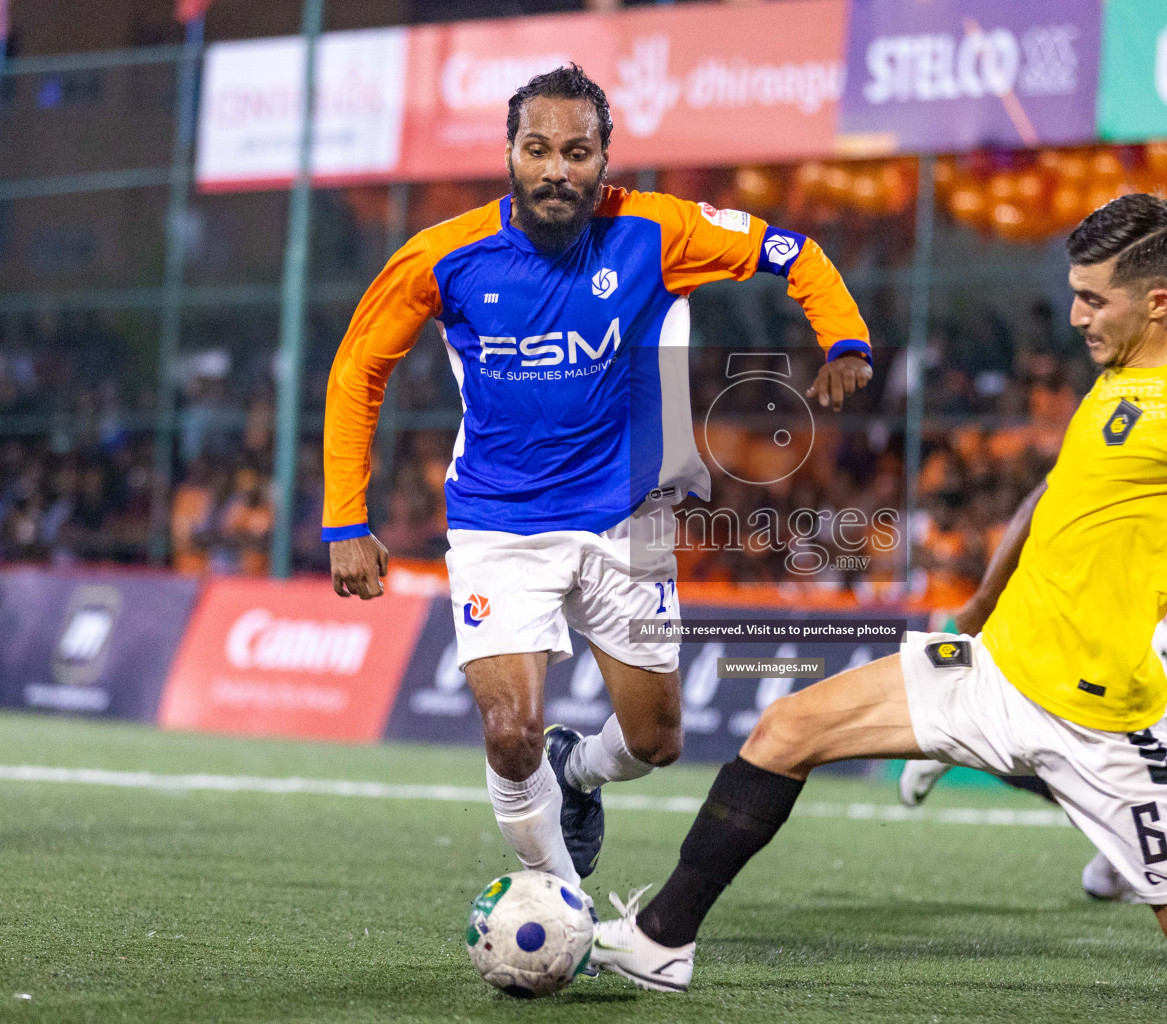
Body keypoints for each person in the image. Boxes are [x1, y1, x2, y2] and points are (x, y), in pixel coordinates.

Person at [589, 194, 1167, 1024]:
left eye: (1094, 299)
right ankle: (663, 939)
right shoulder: (1134, 365)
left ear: (1158, 300)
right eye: (1075, 292)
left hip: (1097, 721)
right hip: (997, 669)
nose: (1075, 315)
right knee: (787, 727)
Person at [322, 65, 873, 900]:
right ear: (509, 153)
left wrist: (845, 340)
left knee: (656, 741)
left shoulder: (659, 230)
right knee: (510, 732)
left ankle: (576, 772)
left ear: (603, 158)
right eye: (537, 149)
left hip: (629, 519)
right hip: (499, 523)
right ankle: (558, 901)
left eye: (576, 152)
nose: (555, 170)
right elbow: (359, 367)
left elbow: (790, 251)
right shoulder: (444, 256)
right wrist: (344, 520)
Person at [898, 337, 1167, 901]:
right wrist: (983, 601)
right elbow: (1039, 501)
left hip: (1144, 611)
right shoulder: (1150, 417)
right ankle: (957, 748)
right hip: (1092, 603)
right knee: (1101, 758)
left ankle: (1112, 863)